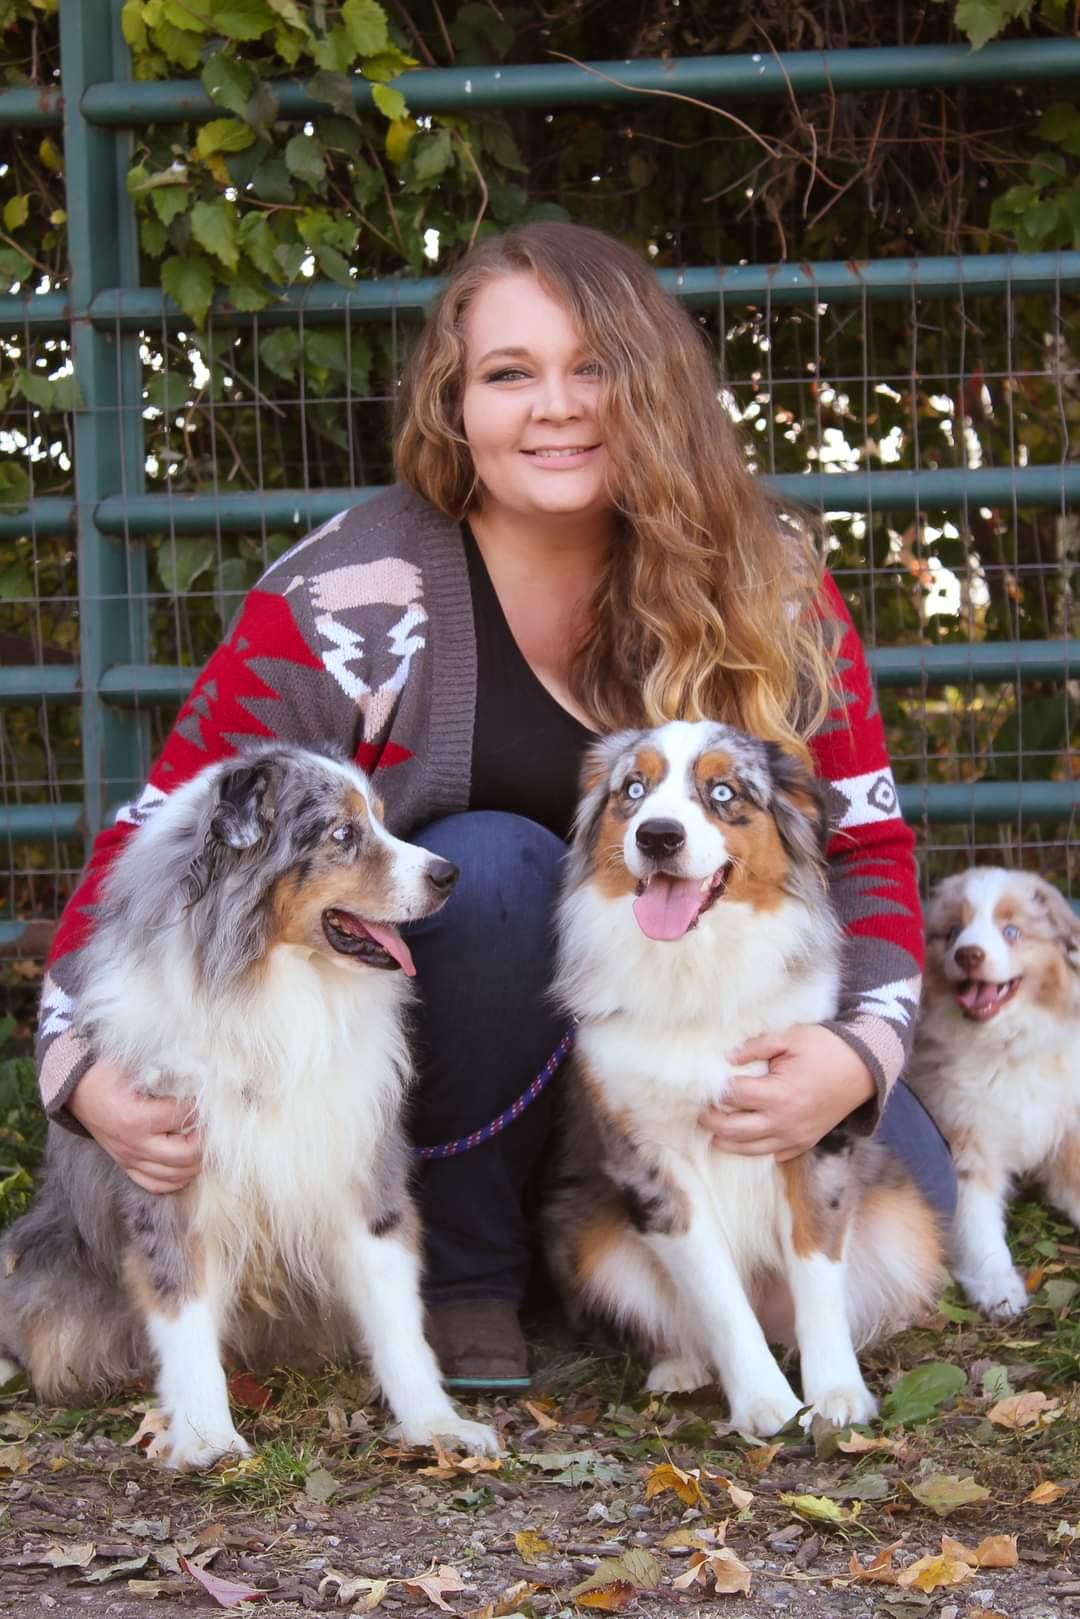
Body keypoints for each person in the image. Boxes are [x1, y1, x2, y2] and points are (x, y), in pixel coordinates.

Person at [36, 222, 956, 1392]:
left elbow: (867, 843)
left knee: (903, 1200)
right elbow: (158, 838)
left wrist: (854, 1054)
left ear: (657, 385)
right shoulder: (345, 595)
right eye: (510, 373)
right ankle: (470, 1273)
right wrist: (76, 1069)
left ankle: (625, 1245)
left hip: (701, 1029)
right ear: (453, 403)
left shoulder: (767, 582)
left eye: (594, 367)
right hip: (455, 1041)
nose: (556, 407)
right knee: (498, 868)